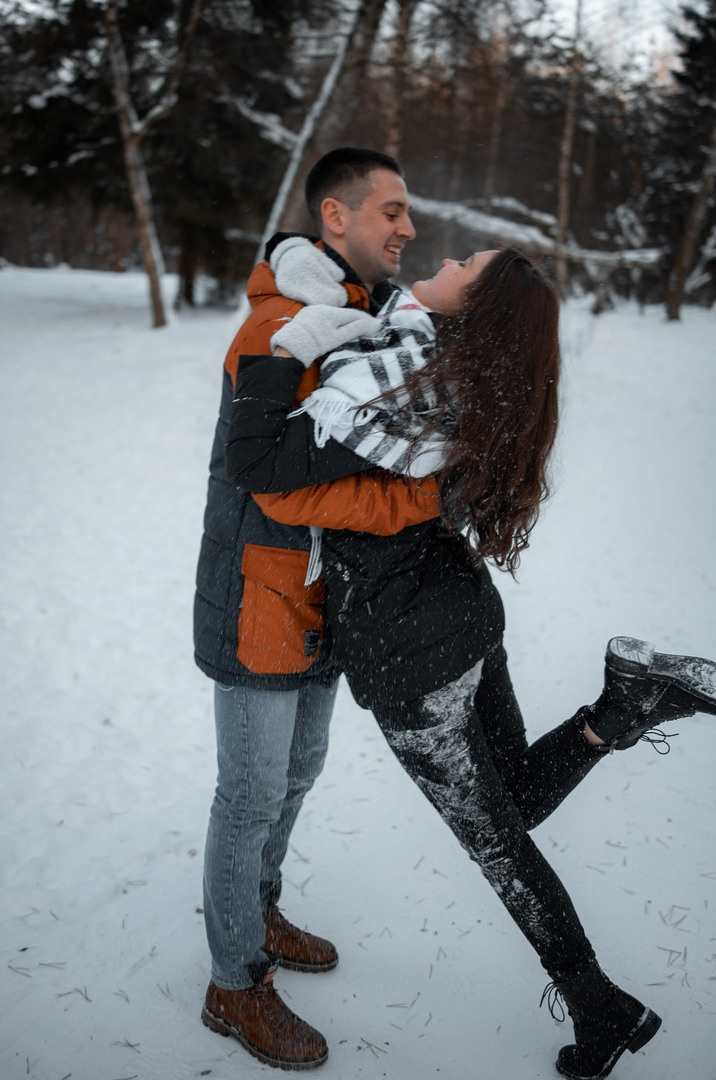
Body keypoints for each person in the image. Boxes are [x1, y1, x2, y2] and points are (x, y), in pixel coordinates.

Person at [224, 243, 716, 1080]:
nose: (444, 253)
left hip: (412, 655)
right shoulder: (474, 378)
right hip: (460, 619)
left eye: (466, 262)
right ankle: (619, 710)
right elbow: (390, 312)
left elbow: (259, 462)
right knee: (512, 799)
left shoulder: (407, 379)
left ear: (471, 308)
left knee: (500, 844)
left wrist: (284, 353)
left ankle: (598, 1002)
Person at [194, 147, 445, 1071]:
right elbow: (263, 483)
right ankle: (234, 983)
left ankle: (256, 910)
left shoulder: (359, 322)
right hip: (260, 594)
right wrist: (416, 495)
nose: (408, 229)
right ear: (335, 219)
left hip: (319, 595)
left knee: (296, 776)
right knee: (252, 791)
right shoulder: (278, 330)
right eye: (392, 210)